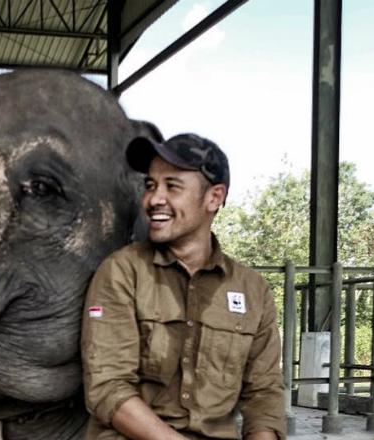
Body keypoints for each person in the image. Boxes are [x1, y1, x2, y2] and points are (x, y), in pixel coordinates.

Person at [81, 133, 285, 440]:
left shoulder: (252, 290)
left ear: (214, 197)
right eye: (151, 185)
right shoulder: (122, 272)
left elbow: (264, 395)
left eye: (172, 186)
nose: (154, 199)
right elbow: (108, 387)